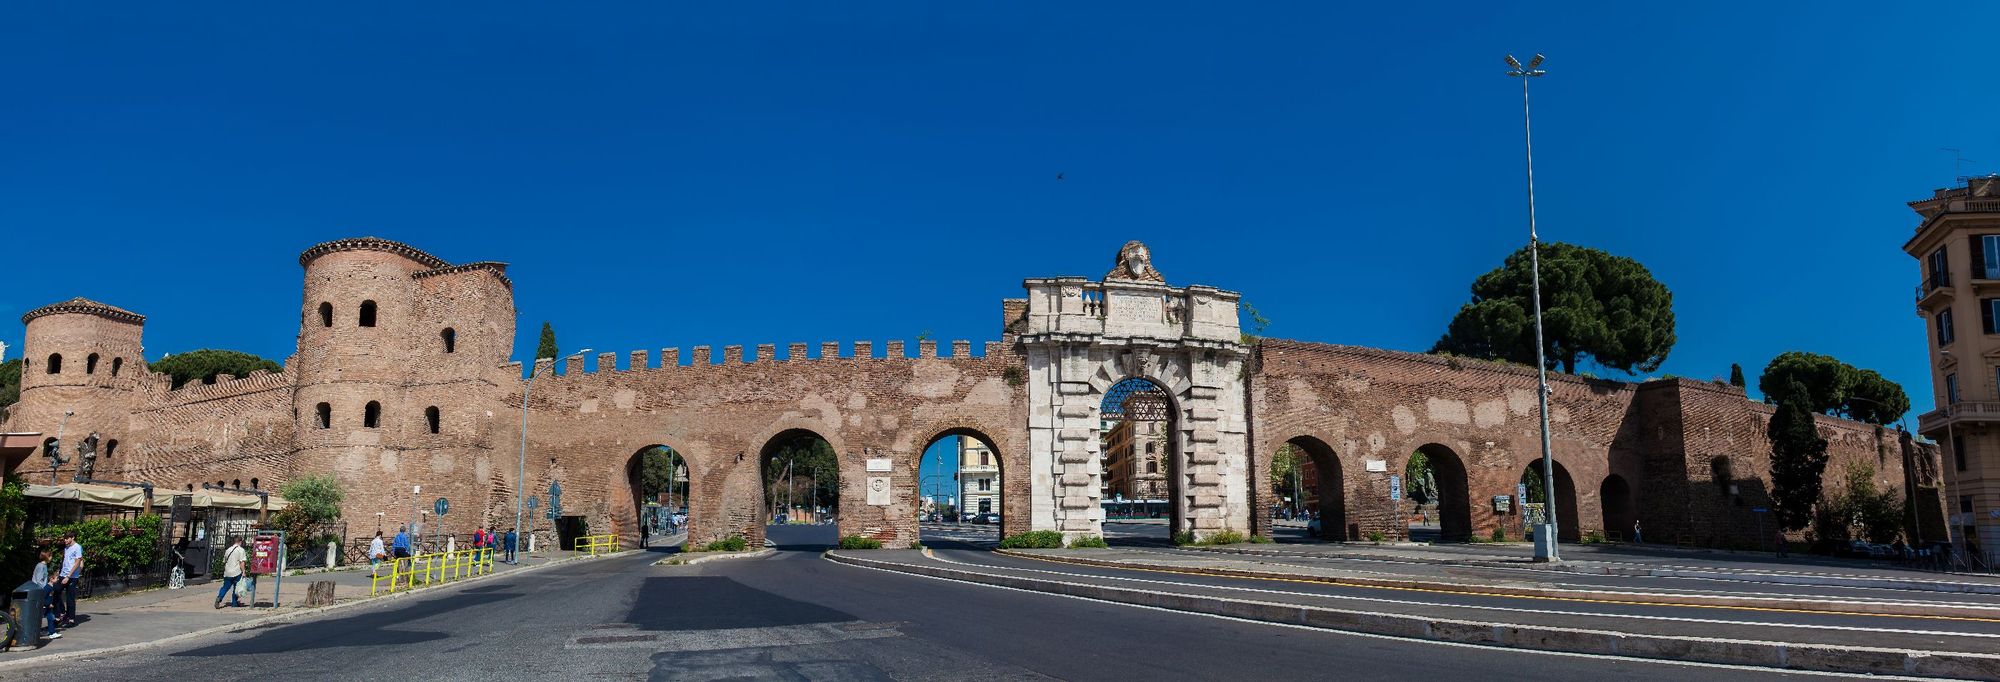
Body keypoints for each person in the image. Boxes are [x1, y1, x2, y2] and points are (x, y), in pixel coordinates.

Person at [32, 548, 60, 640]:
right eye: (50, 556)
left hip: (42, 591)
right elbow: (39, 580)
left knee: (48, 613)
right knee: (44, 613)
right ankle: (39, 631)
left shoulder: (43, 566)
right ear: (47, 556)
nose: (51, 558)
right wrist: (47, 588)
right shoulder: (41, 566)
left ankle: (51, 632)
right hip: (41, 592)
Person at [56, 532, 82, 628]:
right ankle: (61, 614)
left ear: (73, 537)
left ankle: (71, 619)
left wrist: (68, 576)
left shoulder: (77, 547)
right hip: (63, 574)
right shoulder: (66, 548)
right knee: (56, 591)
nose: (65, 540)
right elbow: (65, 562)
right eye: (65, 539)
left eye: (67, 538)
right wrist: (60, 573)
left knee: (70, 598)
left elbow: (77, 562)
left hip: (72, 576)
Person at [215, 537, 247, 609]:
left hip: (227, 572)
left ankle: (219, 597)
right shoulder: (241, 550)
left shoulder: (228, 550)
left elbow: (224, 561)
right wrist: (244, 571)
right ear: (240, 542)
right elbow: (241, 562)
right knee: (236, 588)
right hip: (237, 572)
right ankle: (234, 603)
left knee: (225, 587)